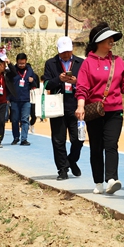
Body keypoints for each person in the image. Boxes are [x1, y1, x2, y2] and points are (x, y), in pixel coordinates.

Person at [75, 23, 124, 195]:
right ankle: (98, 181)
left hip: (115, 110)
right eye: (108, 38)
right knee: (96, 147)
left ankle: (111, 179)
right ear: (98, 41)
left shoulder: (118, 61)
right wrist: (80, 105)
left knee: (111, 144)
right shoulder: (88, 63)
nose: (111, 41)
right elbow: (82, 88)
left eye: (112, 38)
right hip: (94, 111)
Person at [42, 36, 85, 180]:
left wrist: (76, 82)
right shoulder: (50, 64)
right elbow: (47, 84)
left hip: (76, 105)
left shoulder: (81, 63)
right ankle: (62, 169)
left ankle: (72, 160)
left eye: (68, 51)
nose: (66, 55)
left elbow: (87, 84)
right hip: (57, 106)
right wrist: (58, 79)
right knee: (58, 140)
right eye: (63, 52)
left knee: (78, 139)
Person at [6, 52, 39, 145]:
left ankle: (24, 139)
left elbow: (35, 84)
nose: (21, 65)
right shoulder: (12, 71)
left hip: (26, 99)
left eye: (23, 63)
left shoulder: (29, 71)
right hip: (15, 99)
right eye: (20, 63)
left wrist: (33, 81)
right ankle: (16, 137)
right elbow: (8, 84)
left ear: (26, 62)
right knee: (15, 119)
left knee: (25, 119)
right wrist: (8, 97)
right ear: (16, 62)